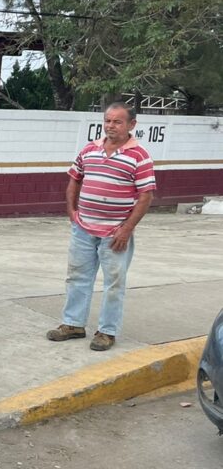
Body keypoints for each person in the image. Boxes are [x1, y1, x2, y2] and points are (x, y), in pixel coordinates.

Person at [47, 102, 155, 351]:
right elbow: (75, 179)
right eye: (108, 121)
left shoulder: (139, 156)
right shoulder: (89, 150)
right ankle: (73, 324)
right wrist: (72, 211)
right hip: (83, 229)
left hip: (115, 233)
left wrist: (126, 229)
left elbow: (146, 196)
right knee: (77, 277)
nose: (111, 126)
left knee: (114, 283)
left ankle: (107, 331)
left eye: (117, 122)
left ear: (131, 125)